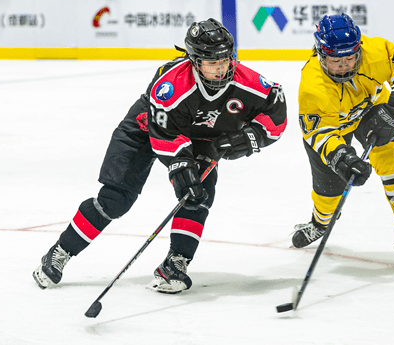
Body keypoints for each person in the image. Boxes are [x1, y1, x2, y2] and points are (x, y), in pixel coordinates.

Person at [32, 18, 287, 294]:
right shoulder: (171, 85)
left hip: (200, 137)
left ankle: (175, 263)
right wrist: (180, 164)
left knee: (196, 194)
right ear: (194, 61)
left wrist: (252, 137)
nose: (221, 68)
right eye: (212, 62)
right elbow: (162, 134)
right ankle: (60, 252)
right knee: (115, 200)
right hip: (144, 130)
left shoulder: (247, 82)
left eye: (225, 59)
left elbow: (276, 109)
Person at [292, 13, 394, 267]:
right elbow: (320, 133)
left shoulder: (376, 49)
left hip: (373, 110)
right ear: (321, 54)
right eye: (336, 60)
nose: (345, 65)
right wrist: (343, 158)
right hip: (333, 126)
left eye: (350, 57)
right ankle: (320, 222)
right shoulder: (312, 85)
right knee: (330, 191)